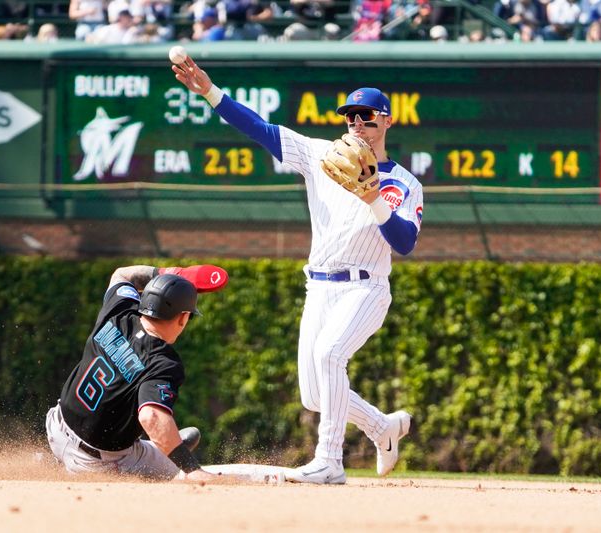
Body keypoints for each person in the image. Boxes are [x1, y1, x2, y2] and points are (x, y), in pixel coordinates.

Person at [172, 57, 421, 484]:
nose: (356, 123)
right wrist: (211, 93)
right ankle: (383, 427)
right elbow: (261, 130)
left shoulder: (403, 183)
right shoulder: (322, 155)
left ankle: (330, 462)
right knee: (314, 394)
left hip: (365, 287)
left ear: (387, 120)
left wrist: (374, 197)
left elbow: (405, 243)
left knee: (330, 356)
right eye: (349, 116)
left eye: (366, 116)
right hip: (319, 287)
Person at [45, 265, 233, 482]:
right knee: (176, 471)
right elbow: (151, 416)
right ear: (182, 318)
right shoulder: (162, 361)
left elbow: (122, 275)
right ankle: (168, 449)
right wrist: (191, 469)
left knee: (167, 441)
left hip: (55, 427)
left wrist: (165, 272)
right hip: (96, 464)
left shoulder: (118, 310)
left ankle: (163, 443)